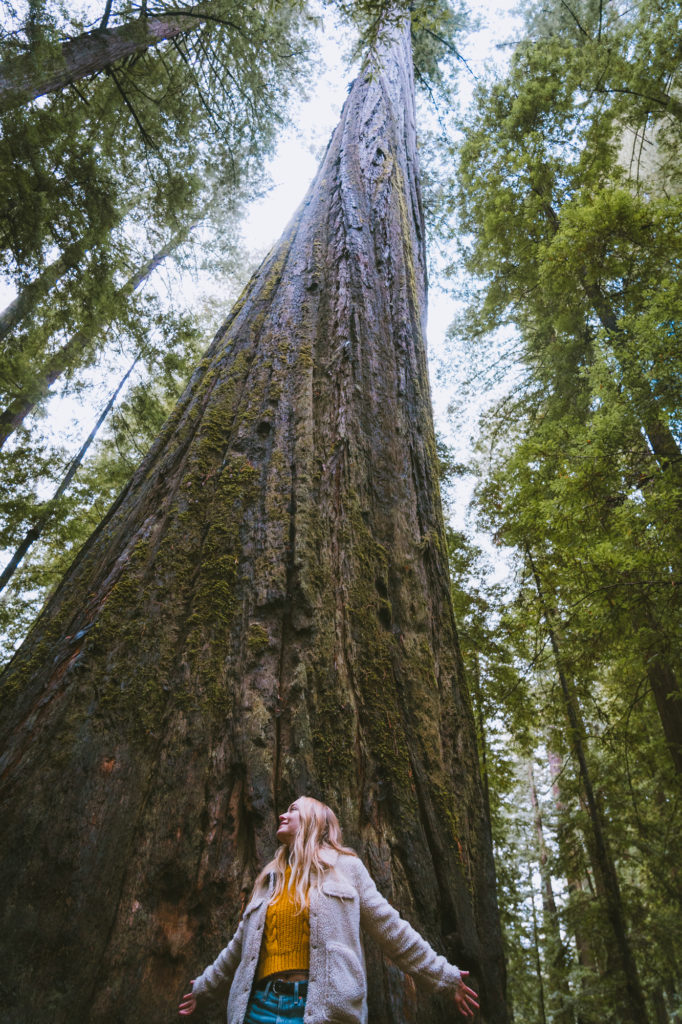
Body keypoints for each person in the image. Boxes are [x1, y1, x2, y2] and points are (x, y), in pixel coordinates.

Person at [179, 796, 480, 1022]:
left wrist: (443, 976)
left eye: (293, 810)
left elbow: (392, 930)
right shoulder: (268, 879)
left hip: (323, 1010)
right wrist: (203, 987)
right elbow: (238, 947)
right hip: (260, 1008)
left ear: (315, 821)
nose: (282, 815)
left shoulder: (347, 869)